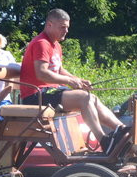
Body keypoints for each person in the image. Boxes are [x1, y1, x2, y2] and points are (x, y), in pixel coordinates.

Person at [19, 9, 128, 153]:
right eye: (62, 27)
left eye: (67, 27)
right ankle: (104, 141)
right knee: (84, 98)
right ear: (49, 25)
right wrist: (69, 81)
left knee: (92, 98)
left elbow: (59, 69)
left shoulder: (56, 45)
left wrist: (78, 80)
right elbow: (42, 73)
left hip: (48, 93)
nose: (66, 31)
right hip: (35, 96)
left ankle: (122, 130)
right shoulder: (41, 43)